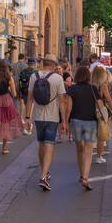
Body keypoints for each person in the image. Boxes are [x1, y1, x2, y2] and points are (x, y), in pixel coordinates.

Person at [27, 56, 68, 192]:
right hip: (52, 117)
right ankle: (44, 176)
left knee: (41, 143)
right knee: (49, 144)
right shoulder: (58, 78)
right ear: (53, 65)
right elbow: (62, 101)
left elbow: (29, 99)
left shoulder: (34, 76)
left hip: (38, 116)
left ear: (44, 63)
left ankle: (44, 172)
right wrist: (64, 121)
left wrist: (27, 117)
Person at [67, 65, 99, 190]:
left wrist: (65, 122)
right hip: (90, 121)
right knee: (88, 150)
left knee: (80, 149)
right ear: (88, 76)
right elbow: (100, 105)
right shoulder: (93, 88)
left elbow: (69, 108)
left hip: (75, 121)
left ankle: (81, 175)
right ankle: (85, 177)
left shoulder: (72, 89)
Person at [0, 58, 20, 155]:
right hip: (7, 100)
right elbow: (14, 94)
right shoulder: (9, 77)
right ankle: (5, 147)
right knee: (6, 122)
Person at [91, 64, 112, 165]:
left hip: (90, 110)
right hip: (101, 111)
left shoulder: (90, 84)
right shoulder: (103, 85)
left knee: (91, 135)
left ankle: (87, 154)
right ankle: (99, 156)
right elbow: (108, 99)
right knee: (101, 135)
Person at [17, 58, 36, 133]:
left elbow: (19, 83)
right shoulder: (35, 73)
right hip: (30, 93)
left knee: (23, 106)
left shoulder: (23, 72)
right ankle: (28, 127)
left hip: (24, 92)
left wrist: (18, 92)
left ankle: (24, 123)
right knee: (29, 111)